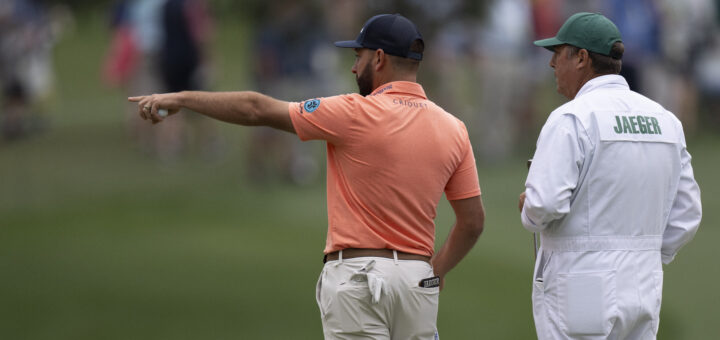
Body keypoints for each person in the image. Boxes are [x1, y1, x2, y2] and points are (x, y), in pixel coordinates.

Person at [130, 14, 485, 339]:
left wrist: (183, 99)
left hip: (358, 279)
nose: (352, 68)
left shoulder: (353, 112)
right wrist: (433, 273)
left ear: (379, 59)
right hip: (416, 280)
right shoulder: (454, 128)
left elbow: (257, 109)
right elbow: (472, 223)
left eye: (358, 57)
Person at [518, 12, 702, 339]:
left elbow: (544, 204)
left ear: (582, 58)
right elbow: (687, 213)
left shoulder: (571, 118)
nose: (551, 64)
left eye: (558, 53)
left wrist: (529, 207)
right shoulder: (666, 121)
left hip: (581, 283)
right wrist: (643, 253)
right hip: (644, 282)